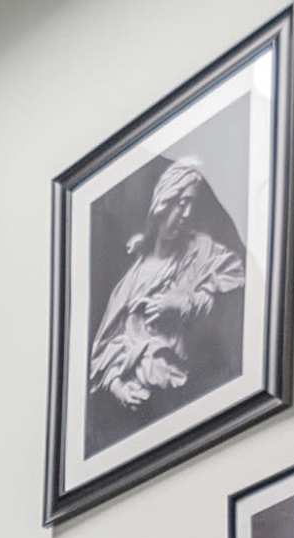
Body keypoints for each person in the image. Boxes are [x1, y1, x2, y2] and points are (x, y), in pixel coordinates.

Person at [84, 158, 247, 426]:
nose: (186, 213)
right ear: (163, 202)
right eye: (181, 202)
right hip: (136, 410)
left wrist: (183, 303)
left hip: (189, 395)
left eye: (192, 204)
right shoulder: (132, 278)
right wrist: (117, 387)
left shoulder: (203, 251)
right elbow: (106, 345)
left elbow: (235, 277)